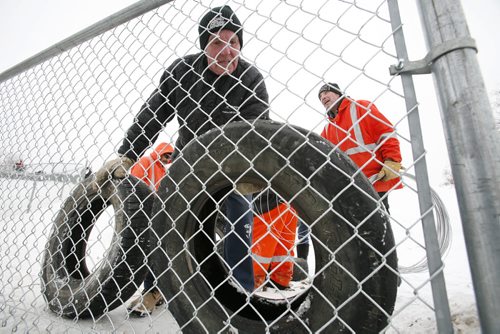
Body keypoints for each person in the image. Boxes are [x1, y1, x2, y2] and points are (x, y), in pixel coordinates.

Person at [93, 5, 270, 310]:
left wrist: (249, 171)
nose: (227, 51)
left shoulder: (250, 77)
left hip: (232, 169)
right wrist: (126, 155)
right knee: (162, 225)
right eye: (217, 42)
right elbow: (153, 115)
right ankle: (156, 288)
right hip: (187, 165)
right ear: (204, 45)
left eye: (234, 43)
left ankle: (240, 298)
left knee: (239, 221)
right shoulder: (183, 72)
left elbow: (259, 129)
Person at [318, 83, 403, 212]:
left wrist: (392, 159)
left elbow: (386, 132)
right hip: (349, 188)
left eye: (326, 93)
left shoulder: (360, 107)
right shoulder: (328, 129)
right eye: (320, 97)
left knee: (377, 223)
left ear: (338, 93)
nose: (323, 98)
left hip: (374, 181)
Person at [126, 142, 173, 317]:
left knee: (155, 253)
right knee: (147, 253)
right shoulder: (146, 162)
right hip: (144, 213)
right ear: (160, 152)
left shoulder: (163, 170)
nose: (168, 159)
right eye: (166, 155)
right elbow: (135, 186)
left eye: (170, 157)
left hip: (157, 216)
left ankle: (154, 291)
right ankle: (152, 291)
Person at [251, 190, 298, 290]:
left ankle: (253, 281)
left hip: (265, 202)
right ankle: (281, 279)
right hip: (288, 194)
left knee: (259, 249)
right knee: (282, 246)